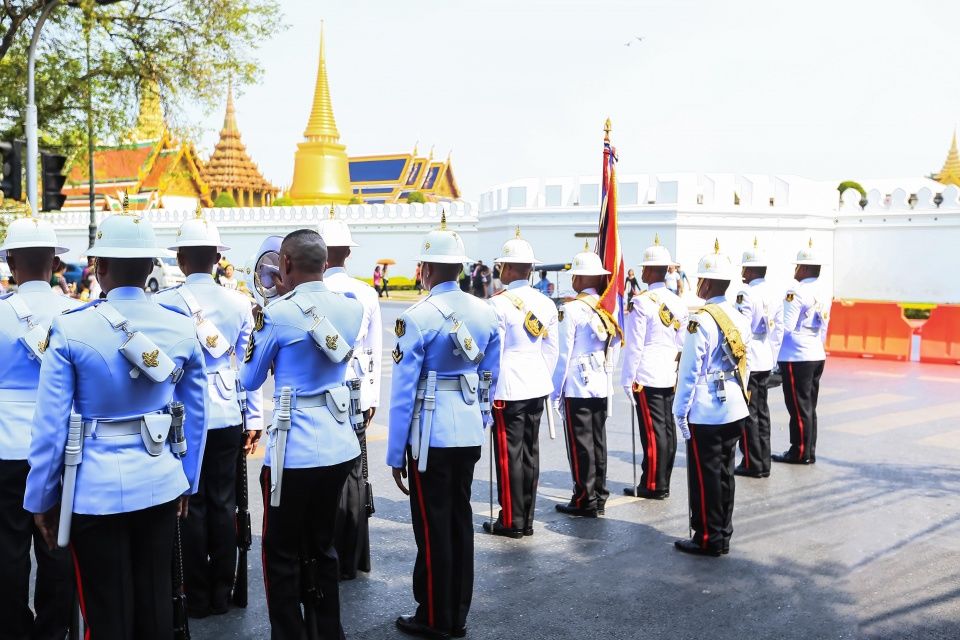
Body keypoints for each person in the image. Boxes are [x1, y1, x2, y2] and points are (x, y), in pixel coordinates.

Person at [25, 209, 208, 639]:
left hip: (95, 490)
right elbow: (195, 415)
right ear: (150, 266)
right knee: (155, 604)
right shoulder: (181, 326)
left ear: (99, 266)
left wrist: (42, 498)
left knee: (106, 613)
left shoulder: (71, 327)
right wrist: (187, 480)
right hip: (161, 481)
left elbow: (50, 427)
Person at [239, 229, 363, 640]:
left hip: (292, 452)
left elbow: (249, 378)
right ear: (325, 263)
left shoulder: (276, 314)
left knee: (281, 553)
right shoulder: (351, 306)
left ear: (286, 264)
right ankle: (327, 631)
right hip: (338, 442)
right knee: (323, 546)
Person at [387, 213, 501, 639]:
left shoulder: (416, 317)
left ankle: (435, 615)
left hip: (430, 433)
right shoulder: (486, 312)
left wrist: (395, 452)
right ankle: (457, 612)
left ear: (426, 269)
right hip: (467, 427)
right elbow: (490, 376)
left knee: (432, 526)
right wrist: (481, 417)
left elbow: (403, 392)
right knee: (459, 520)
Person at [155, 214, 263, 617]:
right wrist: (254, 419)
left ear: (180, 259)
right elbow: (248, 368)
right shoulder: (239, 303)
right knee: (223, 502)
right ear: (217, 259)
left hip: (183, 412)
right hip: (227, 411)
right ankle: (223, 589)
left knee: (191, 503)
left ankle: (195, 593)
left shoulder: (165, 302)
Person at [0, 218, 78, 640]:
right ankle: (52, 630)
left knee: (7, 548)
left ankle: (13, 629)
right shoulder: (77, 313)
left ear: (11, 263)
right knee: (57, 543)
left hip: (5, 445)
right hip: (61, 442)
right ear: (55, 263)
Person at [673, 239, 752, 557]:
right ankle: (722, 532)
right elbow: (746, 363)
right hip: (734, 404)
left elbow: (689, 371)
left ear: (705, 283)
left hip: (707, 409)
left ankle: (707, 536)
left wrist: (680, 410)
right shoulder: (739, 316)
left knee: (705, 476)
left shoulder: (701, 320)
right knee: (724, 473)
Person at [318, 208, 382, 580]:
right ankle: (354, 553)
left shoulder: (309, 293)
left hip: (322, 391)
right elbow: (373, 350)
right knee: (355, 472)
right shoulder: (366, 293)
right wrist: (371, 397)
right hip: (356, 389)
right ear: (347, 253)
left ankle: (325, 547)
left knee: (326, 469)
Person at [484, 228, 559, 537]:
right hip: (536, 384)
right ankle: (525, 517)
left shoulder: (498, 304)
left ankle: (511, 520)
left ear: (512, 268)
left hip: (508, 388)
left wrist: (488, 393)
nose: (500, 270)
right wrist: (540, 376)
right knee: (529, 452)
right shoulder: (546, 303)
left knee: (509, 455)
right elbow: (552, 351)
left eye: (502, 265)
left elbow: (494, 355)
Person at [552, 247, 619, 518]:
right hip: (600, 380)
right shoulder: (605, 308)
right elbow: (614, 344)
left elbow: (563, 355)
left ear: (578, 278)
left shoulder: (570, 310)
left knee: (581, 444)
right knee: (597, 440)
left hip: (578, 383)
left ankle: (584, 498)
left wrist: (556, 391)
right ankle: (599, 494)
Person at [620, 235, 688, 499]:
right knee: (666, 429)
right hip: (669, 371)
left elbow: (635, 345)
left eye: (644, 268)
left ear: (650, 271)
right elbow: (681, 342)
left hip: (647, 373)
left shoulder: (642, 302)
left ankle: (653, 484)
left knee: (652, 431)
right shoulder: (678, 302)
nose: (642, 272)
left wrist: (628, 378)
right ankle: (661, 480)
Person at [773, 239, 829, 465]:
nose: (795, 270)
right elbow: (824, 325)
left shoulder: (796, 291)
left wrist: (772, 352)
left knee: (797, 406)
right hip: (815, 352)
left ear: (804, 268)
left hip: (796, 356)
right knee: (809, 406)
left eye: (797, 266)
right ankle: (808, 450)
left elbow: (785, 327)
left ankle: (799, 452)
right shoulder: (823, 291)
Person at [733, 238, 784, 478]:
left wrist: (738, 360)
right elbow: (779, 329)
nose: (743, 272)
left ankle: (752, 462)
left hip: (750, 360)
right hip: (764, 357)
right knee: (762, 411)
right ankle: (763, 461)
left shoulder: (746, 293)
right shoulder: (773, 293)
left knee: (750, 413)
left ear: (752, 270)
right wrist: (772, 355)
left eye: (745, 268)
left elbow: (741, 328)